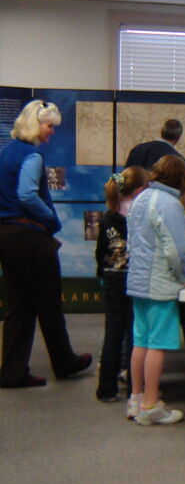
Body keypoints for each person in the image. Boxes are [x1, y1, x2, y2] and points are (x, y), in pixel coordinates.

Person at [0, 100, 93, 388]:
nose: (52, 131)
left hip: (6, 236)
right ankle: (64, 363)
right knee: (49, 302)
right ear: (34, 124)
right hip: (29, 236)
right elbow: (28, 196)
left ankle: (12, 372)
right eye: (49, 125)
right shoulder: (32, 156)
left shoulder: (6, 153)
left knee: (20, 305)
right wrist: (52, 221)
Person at [126, 154, 185, 425]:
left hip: (137, 280)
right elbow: (176, 250)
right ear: (180, 178)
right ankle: (152, 405)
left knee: (140, 340)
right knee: (158, 343)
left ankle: (136, 398)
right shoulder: (170, 204)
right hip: (159, 282)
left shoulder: (140, 199)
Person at [94, 167, 148, 402]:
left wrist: (104, 274)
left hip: (112, 279)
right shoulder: (141, 215)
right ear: (139, 191)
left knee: (113, 333)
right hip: (135, 278)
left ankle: (106, 389)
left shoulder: (107, 217)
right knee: (136, 333)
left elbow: (99, 252)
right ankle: (136, 388)